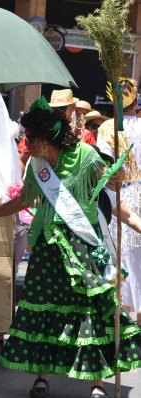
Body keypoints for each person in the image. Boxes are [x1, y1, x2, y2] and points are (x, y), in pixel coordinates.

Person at [0, 97, 141, 398]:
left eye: (31, 138)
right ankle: (42, 378)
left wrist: (118, 179)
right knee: (47, 313)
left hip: (82, 247)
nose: (26, 143)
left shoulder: (85, 156)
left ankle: (96, 382)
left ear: (45, 139)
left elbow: (111, 187)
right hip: (47, 249)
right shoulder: (37, 164)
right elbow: (25, 200)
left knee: (89, 311)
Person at [97, 77, 141, 323]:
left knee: (121, 258)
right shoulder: (110, 128)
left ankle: (122, 323)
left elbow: (104, 168)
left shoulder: (107, 128)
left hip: (120, 197)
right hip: (129, 197)